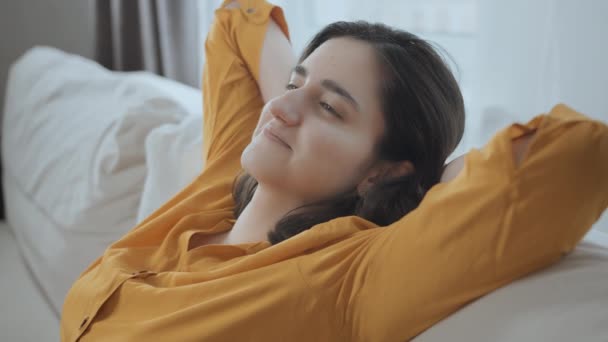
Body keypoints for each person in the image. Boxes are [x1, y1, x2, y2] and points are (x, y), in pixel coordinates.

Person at [60, 0, 607, 341]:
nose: (280, 108)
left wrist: (414, 183)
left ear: (384, 169)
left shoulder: (348, 278)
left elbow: (579, 156)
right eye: (293, 85)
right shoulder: (224, 179)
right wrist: (300, 100)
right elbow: (234, 18)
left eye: (331, 108)